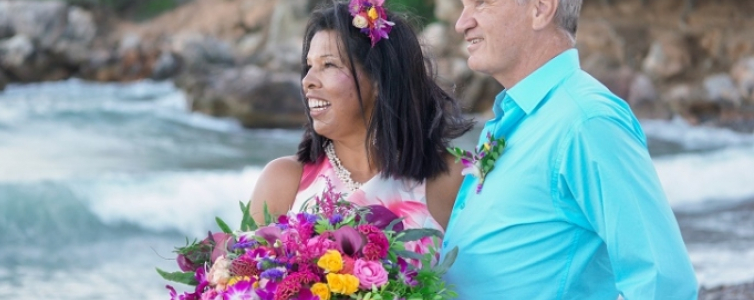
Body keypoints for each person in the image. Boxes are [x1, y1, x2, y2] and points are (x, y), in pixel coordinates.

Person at [440, 0, 698, 299]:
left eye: (481, 3)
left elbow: (664, 285)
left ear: (540, 8)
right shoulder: (517, 118)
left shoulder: (587, 121)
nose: (462, 23)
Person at [249, 0, 473, 238]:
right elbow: (241, 269)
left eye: (328, 65)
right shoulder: (283, 181)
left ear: (379, 80)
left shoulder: (450, 179)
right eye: (309, 66)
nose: (308, 81)